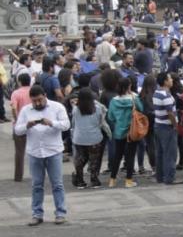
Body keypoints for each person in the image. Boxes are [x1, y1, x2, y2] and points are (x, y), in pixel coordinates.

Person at [15, 85, 70, 226]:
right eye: (34, 101)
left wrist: (52, 123)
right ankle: (37, 214)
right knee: (36, 185)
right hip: (34, 152)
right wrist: (27, 125)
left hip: (53, 151)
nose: (37, 103)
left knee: (57, 184)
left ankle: (60, 213)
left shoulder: (57, 107)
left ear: (45, 95)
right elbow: (17, 130)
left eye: (40, 100)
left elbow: (66, 125)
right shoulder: (26, 110)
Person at [106, 77, 145, 188]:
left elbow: (110, 117)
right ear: (129, 86)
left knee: (117, 155)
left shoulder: (114, 100)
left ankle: (112, 180)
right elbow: (141, 109)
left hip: (118, 131)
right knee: (130, 156)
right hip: (132, 131)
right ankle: (128, 180)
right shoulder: (134, 98)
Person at [70, 87, 109, 189]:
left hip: (79, 138)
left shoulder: (75, 109)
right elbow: (100, 122)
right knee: (94, 159)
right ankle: (94, 180)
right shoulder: (97, 108)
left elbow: (73, 123)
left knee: (81, 158)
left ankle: (80, 181)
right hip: (94, 138)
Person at [153, 72, 182, 185]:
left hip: (158, 125)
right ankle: (169, 177)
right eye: (170, 79)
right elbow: (170, 113)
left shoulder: (156, 92)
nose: (172, 80)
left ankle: (160, 177)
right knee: (170, 153)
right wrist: (175, 125)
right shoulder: (166, 95)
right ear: (165, 81)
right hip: (167, 127)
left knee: (160, 152)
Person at [9, 72, 32, 181]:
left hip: (19, 126)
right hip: (33, 123)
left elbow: (14, 108)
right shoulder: (34, 91)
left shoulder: (16, 93)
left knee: (19, 152)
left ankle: (18, 176)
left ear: (19, 82)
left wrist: (17, 120)